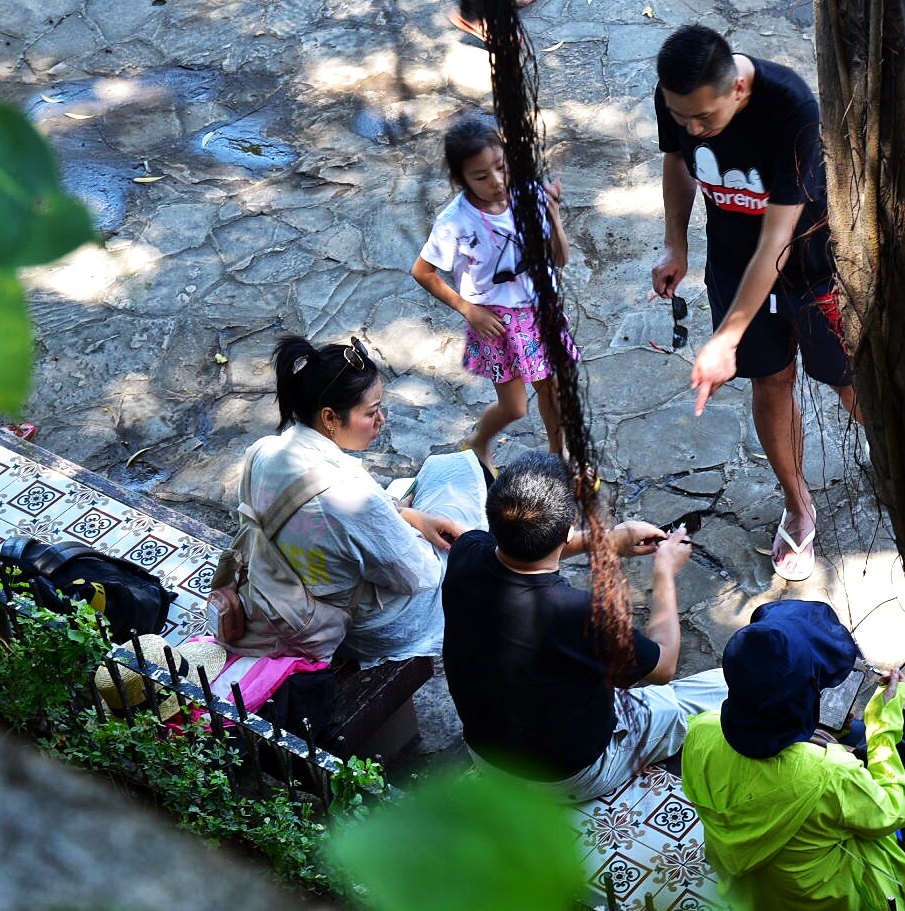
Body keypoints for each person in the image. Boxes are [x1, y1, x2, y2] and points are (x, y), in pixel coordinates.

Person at [652, 25, 857, 582]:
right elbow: (677, 161)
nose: (693, 130)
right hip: (731, 264)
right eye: (682, 117)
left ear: (738, 91)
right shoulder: (678, 94)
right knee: (772, 382)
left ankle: (902, 471)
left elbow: (777, 243)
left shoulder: (791, 109)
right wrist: (677, 242)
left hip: (812, 267)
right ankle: (798, 503)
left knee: (850, 384)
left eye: (705, 120)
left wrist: (724, 338)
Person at [442, 451, 728, 801]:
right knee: (705, 692)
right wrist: (665, 572)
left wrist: (607, 540)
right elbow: (663, 666)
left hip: (487, 755)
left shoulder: (466, 551)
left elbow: (524, 551)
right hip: (568, 777)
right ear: (567, 532)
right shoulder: (580, 613)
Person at [682, 600, 905, 911]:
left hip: (755, 892)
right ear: (802, 698)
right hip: (832, 899)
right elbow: (890, 813)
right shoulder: (828, 773)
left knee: (864, 735)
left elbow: (759, 778)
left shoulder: (701, 732)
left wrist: (811, 743)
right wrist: (883, 723)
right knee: (901, 740)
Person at [211, 335, 489, 666]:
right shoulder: (353, 495)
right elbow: (419, 576)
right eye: (371, 412)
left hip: (285, 590)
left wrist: (412, 517)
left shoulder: (262, 452)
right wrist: (410, 520)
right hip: (363, 629)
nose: (381, 420)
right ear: (329, 418)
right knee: (453, 472)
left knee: (409, 489)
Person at [411, 111, 574, 470]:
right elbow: (422, 271)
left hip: (538, 307)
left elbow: (559, 259)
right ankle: (478, 441)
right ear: (460, 179)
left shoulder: (527, 193)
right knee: (516, 406)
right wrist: (469, 310)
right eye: (482, 176)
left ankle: (557, 453)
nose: (497, 181)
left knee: (552, 389)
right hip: (494, 318)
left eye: (501, 167)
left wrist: (555, 217)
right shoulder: (455, 221)